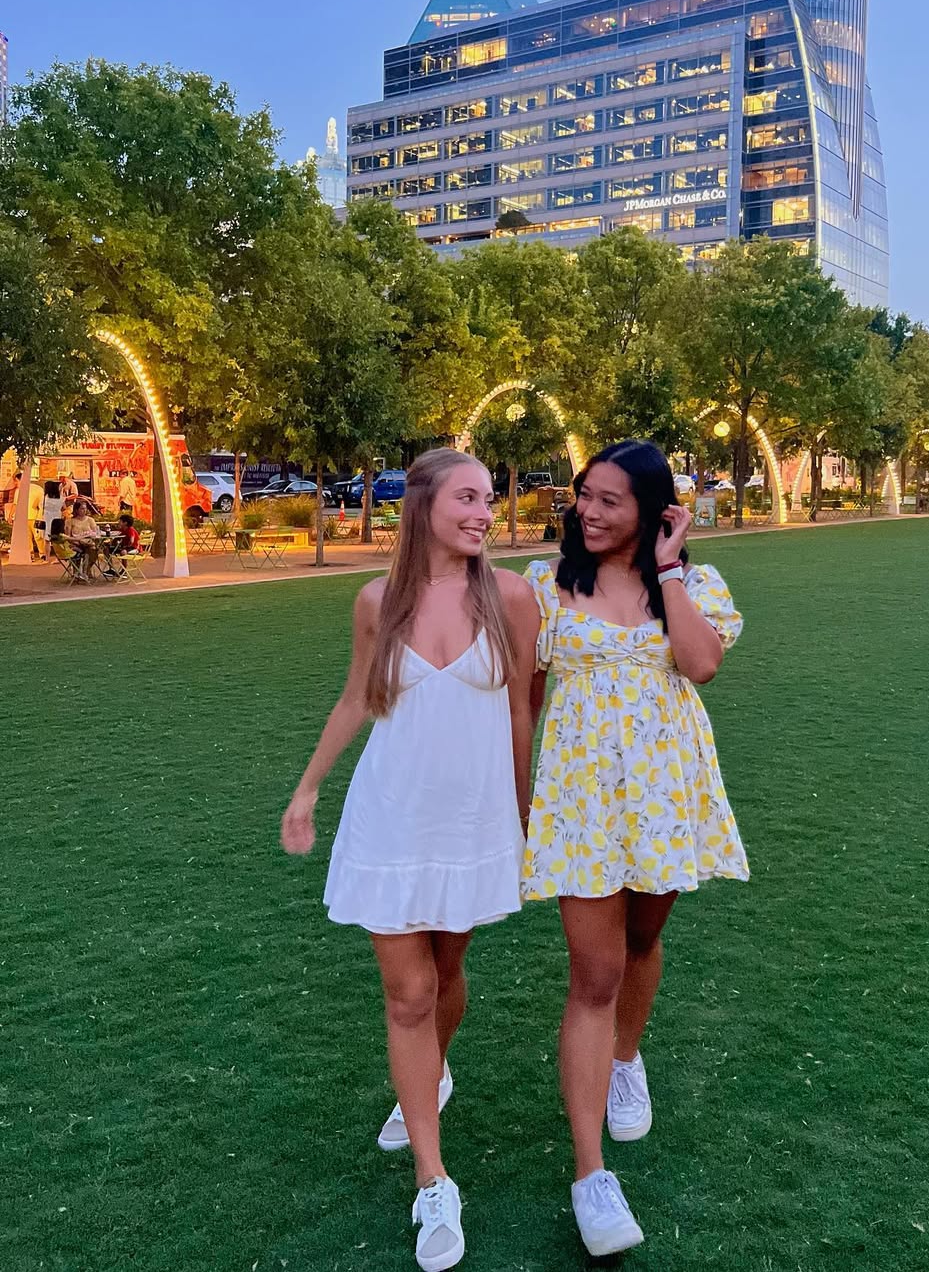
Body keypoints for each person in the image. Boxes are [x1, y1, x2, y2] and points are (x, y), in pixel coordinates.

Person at [279, 448, 539, 1272]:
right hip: (389, 821)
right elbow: (356, 697)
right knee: (410, 993)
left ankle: (430, 1076)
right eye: (467, 496)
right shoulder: (375, 601)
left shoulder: (511, 597)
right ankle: (434, 1180)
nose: (483, 511)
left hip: (472, 825)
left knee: (448, 974)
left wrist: (525, 813)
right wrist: (307, 790)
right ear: (422, 503)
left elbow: (522, 714)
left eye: (488, 498)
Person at [522, 439, 748, 1258]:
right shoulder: (545, 587)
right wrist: (518, 799)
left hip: (667, 798)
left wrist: (670, 568)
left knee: (644, 942)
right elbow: (524, 702)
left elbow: (702, 663)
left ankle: (626, 1057)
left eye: (610, 499)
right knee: (595, 974)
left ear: (653, 511)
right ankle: (591, 1175)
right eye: (586, 494)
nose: (587, 509)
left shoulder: (693, 584)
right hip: (583, 803)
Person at [65, 499, 104, 580]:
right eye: (82, 508)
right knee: (76, 549)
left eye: (85, 508)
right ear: (77, 510)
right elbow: (67, 536)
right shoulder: (70, 521)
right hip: (75, 543)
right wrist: (77, 540)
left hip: (88, 543)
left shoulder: (90, 520)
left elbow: (95, 533)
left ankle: (86, 570)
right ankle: (77, 572)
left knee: (93, 549)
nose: (84, 510)